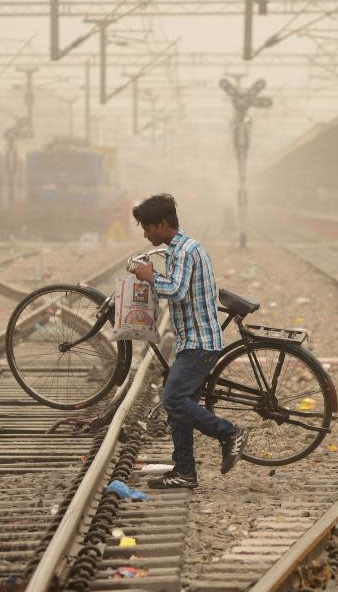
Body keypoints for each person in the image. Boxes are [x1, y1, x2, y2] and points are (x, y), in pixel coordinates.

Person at [130, 194, 248, 489]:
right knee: (180, 410)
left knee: (173, 400)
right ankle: (185, 471)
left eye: (147, 227)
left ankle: (230, 432)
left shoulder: (185, 251)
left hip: (200, 342)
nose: (145, 234)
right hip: (191, 340)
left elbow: (176, 290)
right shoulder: (178, 248)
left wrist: (149, 277)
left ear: (162, 224)